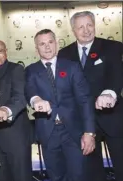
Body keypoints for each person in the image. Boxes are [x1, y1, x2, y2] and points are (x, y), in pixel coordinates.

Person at [58, 11, 123, 181]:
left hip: (112, 117)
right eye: (80, 27)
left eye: (89, 25)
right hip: (83, 122)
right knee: (92, 172)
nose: (86, 30)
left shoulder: (113, 47)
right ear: (73, 30)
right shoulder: (64, 54)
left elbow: (117, 75)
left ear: (94, 26)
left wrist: (109, 93)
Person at [25, 29, 96, 181]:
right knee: (56, 176)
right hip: (48, 133)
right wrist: (36, 100)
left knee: (78, 175)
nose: (47, 47)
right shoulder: (31, 70)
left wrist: (89, 132)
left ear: (56, 43)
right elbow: (30, 90)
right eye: (42, 44)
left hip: (73, 132)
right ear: (36, 48)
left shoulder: (72, 67)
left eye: (50, 42)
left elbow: (85, 100)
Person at [0, 40, 33, 181]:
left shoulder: (16, 69)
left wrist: (5, 110)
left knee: (21, 176)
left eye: (0, 51)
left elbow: (20, 96)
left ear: (6, 51)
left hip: (15, 137)